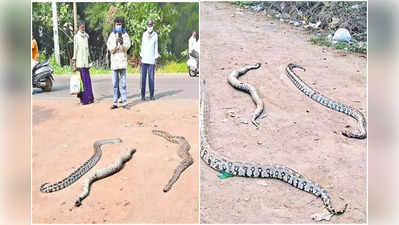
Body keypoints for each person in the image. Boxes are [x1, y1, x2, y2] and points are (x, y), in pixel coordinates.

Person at [107, 17, 131, 109]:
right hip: (115, 64)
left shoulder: (125, 35)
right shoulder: (111, 35)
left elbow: (127, 48)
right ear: (114, 25)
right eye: (117, 24)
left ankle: (124, 102)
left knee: (123, 84)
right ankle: (115, 103)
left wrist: (122, 44)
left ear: (122, 25)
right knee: (115, 84)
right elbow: (111, 50)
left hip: (123, 63)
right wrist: (117, 45)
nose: (118, 26)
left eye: (120, 24)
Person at [72, 21, 95, 105]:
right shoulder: (76, 37)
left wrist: (89, 61)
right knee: (82, 82)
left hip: (86, 63)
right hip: (80, 63)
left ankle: (90, 98)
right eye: (81, 27)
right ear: (78, 27)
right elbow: (75, 49)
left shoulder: (86, 36)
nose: (83, 28)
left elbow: (87, 50)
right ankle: (84, 100)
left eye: (84, 27)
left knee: (88, 81)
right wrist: (74, 62)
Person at [139, 19, 160, 101]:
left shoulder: (155, 35)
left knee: (151, 79)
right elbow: (142, 46)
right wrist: (140, 57)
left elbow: (156, 48)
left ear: (153, 25)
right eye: (148, 25)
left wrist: (156, 59)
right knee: (143, 79)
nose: (150, 26)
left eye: (151, 25)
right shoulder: (144, 34)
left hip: (151, 60)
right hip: (144, 59)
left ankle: (151, 95)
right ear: (147, 25)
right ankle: (143, 96)